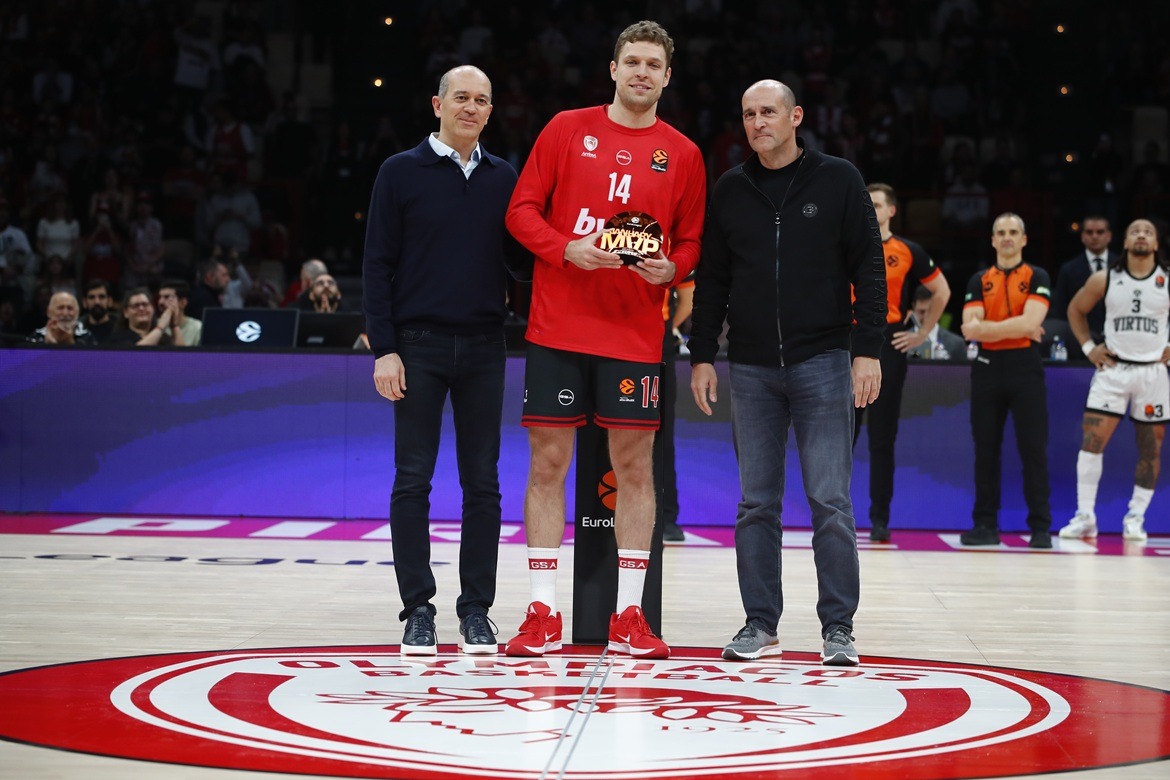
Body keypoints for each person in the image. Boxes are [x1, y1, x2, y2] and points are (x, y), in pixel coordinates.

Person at [503, 20, 706, 660]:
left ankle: (629, 617)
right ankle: (542, 612)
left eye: (653, 64)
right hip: (557, 328)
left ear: (667, 76)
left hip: (635, 334)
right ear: (613, 69)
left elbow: (692, 242)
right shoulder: (567, 129)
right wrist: (567, 249)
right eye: (632, 61)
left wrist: (673, 269)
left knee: (636, 470)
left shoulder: (684, 154)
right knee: (547, 466)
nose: (642, 72)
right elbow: (520, 212)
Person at [688, 79, 884, 666]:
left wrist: (868, 348)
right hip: (750, 366)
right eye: (748, 114)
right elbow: (713, 279)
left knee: (831, 501)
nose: (757, 122)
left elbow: (869, 267)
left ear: (795, 116)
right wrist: (702, 354)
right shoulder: (731, 188)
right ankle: (760, 623)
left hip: (824, 360)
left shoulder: (838, 179)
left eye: (768, 112)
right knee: (756, 504)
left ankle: (838, 628)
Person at [363, 64, 520, 657]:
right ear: (437, 104)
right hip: (417, 346)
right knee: (412, 480)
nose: (471, 108)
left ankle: (476, 610)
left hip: (485, 346)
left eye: (481, 100)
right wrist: (385, 348)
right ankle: (418, 611)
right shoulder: (399, 171)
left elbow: (522, 260)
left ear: (490, 110)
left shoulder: (504, 176)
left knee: (484, 484)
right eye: (461, 98)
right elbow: (376, 264)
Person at [1058, 219, 1169, 543]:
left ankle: (1135, 517)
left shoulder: (1166, 279)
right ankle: (1085, 516)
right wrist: (1089, 348)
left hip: (1152, 373)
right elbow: (1075, 310)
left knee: (1150, 448)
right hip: (1114, 370)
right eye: (1135, 231)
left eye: (1148, 231)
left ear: (1156, 243)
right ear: (1124, 241)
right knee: (1091, 443)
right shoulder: (1104, 278)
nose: (1141, 234)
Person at [854, 183, 951, 541]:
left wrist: (922, 333)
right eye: (867, 203)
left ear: (892, 210)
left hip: (888, 341)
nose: (872, 209)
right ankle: (835, 516)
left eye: (878, 204)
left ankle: (880, 518)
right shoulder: (847, 242)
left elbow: (942, 290)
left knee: (882, 437)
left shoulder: (908, 250)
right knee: (840, 437)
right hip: (848, 339)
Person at [959, 213, 1053, 548]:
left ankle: (1040, 528)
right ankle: (985, 525)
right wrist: (1016, 327)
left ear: (1024, 239)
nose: (1007, 237)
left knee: (1033, 449)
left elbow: (1030, 324)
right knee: (985, 450)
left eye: (1013, 232)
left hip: (1025, 367)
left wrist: (988, 328)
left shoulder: (1037, 275)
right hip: (987, 367)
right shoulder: (979, 279)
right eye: (1001, 232)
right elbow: (969, 329)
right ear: (993, 240)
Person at [1050, 216, 1120, 346]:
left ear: (1109, 236)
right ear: (1082, 236)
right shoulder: (1068, 269)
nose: (1095, 236)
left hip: (1119, 339)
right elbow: (1061, 311)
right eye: (1089, 232)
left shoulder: (1122, 267)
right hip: (1079, 341)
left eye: (1100, 232)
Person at [105, 287, 186, 346]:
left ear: (153, 309)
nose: (141, 308)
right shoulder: (117, 339)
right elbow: (135, 356)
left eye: (145, 304)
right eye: (135, 306)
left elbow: (183, 357)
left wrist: (174, 325)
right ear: (126, 312)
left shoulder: (163, 338)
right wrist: (161, 326)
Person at [906, 286, 966, 360]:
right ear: (913, 307)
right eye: (921, 312)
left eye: (930, 311)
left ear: (939, 309)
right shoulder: (901, 343)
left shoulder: (956, 344)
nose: (926, 317)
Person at [27, 291, 95, 345]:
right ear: (48, 312)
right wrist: (48, 346)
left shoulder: (88, 338)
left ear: (78, 313)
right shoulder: (35, 338)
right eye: (60, 308)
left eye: (70, 308)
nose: (65, 313)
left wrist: (70, 343)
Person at [158, 279, 202, 346]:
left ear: (183, 303)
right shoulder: (155, 325)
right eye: (159, 297)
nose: (160, 302)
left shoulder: (197, 327)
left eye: (167, 297)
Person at [80, 279, 117, 343]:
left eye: (101, 297)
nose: (97, 302)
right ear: (84, 302)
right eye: (91, 297)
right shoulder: (77, 330)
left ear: (110, 301)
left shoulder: (121, 328)